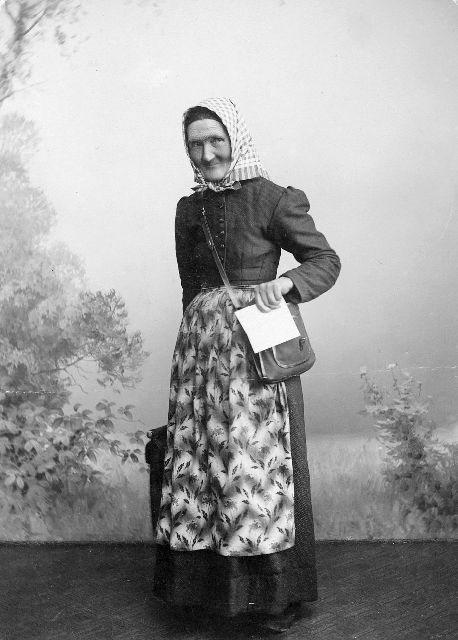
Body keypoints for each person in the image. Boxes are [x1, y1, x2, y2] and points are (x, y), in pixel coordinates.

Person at [153, 97, 341, 633]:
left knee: (255, 469)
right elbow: (190, 288)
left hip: (256, 359)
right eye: (196, 144)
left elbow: (325, 261)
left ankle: (272, 599)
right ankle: (206, 595)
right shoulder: (187, 209)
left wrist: (285, 284)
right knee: (201, 465)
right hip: (200, 360)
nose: (207, 153)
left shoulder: (272, 199)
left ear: (235, 139)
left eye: (216, 140)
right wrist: (193, 350)